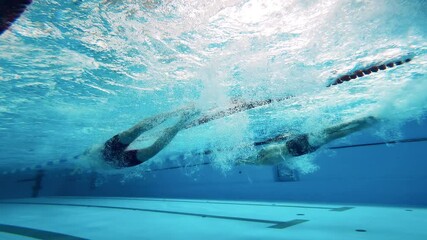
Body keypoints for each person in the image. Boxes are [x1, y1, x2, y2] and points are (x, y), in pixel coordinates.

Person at [82, 106, 199, 169]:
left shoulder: (92, 155)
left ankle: (177, 112)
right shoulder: (89, 161)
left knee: (132, 132)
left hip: (105, 153)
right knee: (153, 150)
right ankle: (183, 120)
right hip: (115, 164)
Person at [239, 116, 378, 165]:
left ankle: (363, 123)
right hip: (298, 143)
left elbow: (254, 161)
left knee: (334, 133)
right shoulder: (266, 154)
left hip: (299, 147)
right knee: (334, 130)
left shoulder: (266, 159)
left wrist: (243, 161)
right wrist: (244, 160)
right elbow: (254, 160)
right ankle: (362, 121)